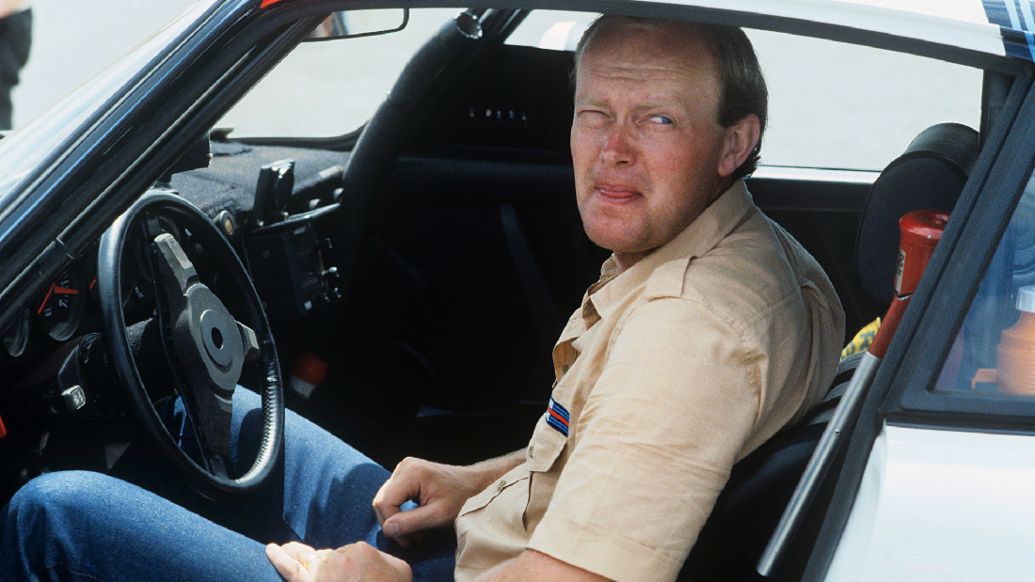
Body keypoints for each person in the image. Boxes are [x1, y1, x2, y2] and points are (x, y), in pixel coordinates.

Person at [0, 14, 844, 582]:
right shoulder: (757, 253)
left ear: (736, 141)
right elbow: (627, 455)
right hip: (483, 540)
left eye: (656, 120)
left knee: (54, 514)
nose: (613, 150)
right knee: (230, 416)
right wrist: (476, 478)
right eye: (596, 113)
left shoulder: (690, 331)